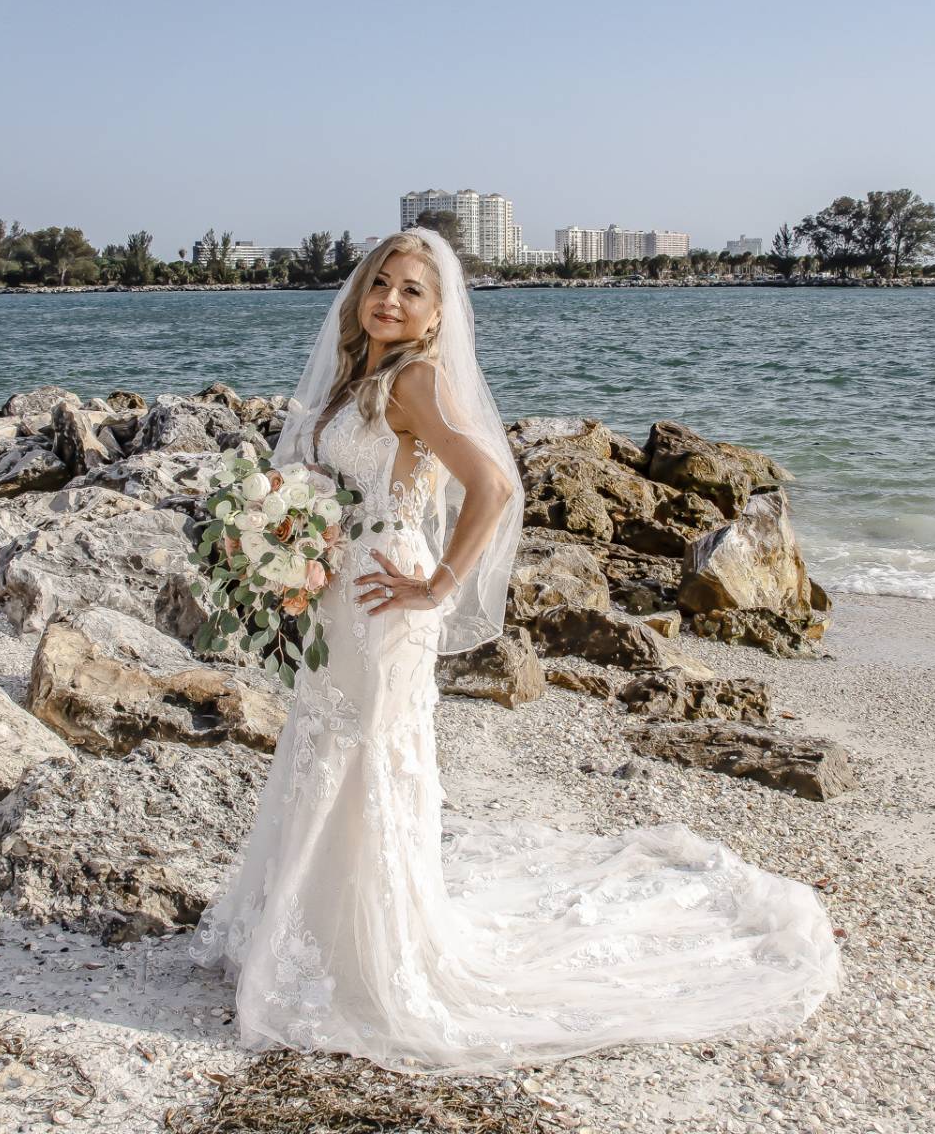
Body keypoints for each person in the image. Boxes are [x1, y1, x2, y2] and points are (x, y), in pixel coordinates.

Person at [187, 226, 839, 1074]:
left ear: (436, 314)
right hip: (339, 596)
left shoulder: (416, 379)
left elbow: (494, 484)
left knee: (365, 760)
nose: (388, 297)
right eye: (380, 282)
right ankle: (304, 932)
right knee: (325, 751)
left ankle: (364, 956)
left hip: (387, 599)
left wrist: (439, 585)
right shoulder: (363, 374)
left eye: (411, 290)